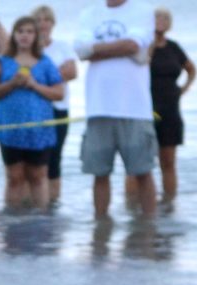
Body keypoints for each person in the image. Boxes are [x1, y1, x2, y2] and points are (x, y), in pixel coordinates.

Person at [71, 0, 150, 216]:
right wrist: (120, 48)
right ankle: (100, 228)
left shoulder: (142, 10)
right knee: (99, 173)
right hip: (98, 106)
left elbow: (134, 45)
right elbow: (80, 50)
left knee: (142, 172)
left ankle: (148, 230)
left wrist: (95, 50)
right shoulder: (89, 14)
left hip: (134, 108)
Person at [0, 7, 56, 206]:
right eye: (20, 31)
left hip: (39, 129)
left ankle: (40, 220)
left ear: (36, 36)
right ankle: (12, 223)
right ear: (14, 35)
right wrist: (11, 84)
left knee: (38, 176)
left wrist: (35, 85)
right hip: (10, 128)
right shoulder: (3, 62)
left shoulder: (45, 62)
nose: (25, 36)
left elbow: (59, 92)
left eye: (29, 32)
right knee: (14, 177)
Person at [27, 4, 70, 200]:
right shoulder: (27, 49)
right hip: (32, 110)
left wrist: (39, 79)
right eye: (39, 20)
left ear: (53, 23)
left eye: (47, 20)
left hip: (57, 109)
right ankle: (30, 203)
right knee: (31, 160)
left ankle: (53, 203)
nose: (43, 24)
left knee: (54, 159)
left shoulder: (61, 46)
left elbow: (71, 71)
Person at [145, 2, 183, 200]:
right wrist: (150, 46)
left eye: (165, 19)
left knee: (168, 162)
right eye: (157, 18)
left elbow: (191, 69)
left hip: (170, 110)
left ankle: (169, 205)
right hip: (145, 108)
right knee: (140, 164)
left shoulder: (174, 47)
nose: (161, 22)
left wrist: (183, 89)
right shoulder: (144, 45)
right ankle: (135, 209)